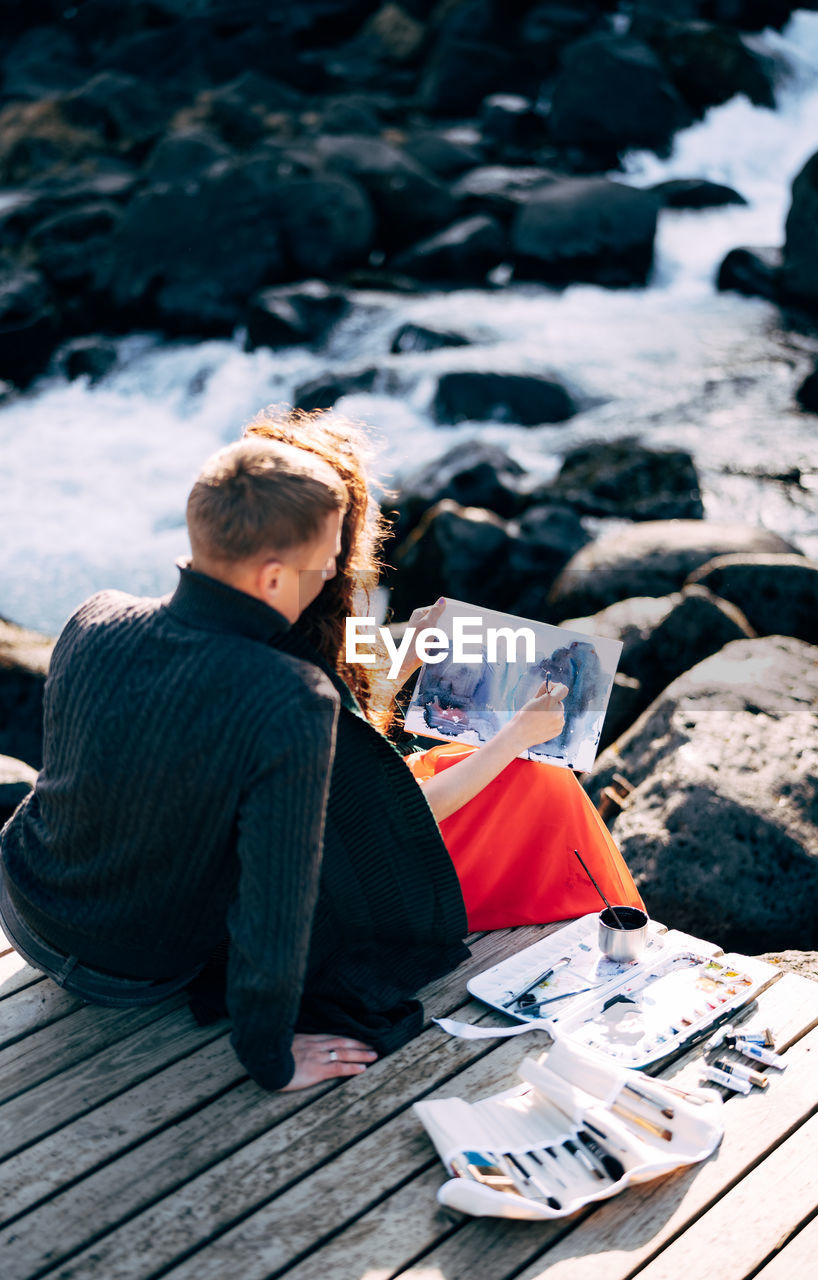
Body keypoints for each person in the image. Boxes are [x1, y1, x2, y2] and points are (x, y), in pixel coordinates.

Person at [0, 437, 428, 1092]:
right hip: (128, 969)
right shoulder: (290, 696)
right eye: (324, 566)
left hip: (24, 906)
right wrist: (271, 1056)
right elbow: (276, 902)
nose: (330, 575)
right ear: (274, 578)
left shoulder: (95, 614)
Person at [243, 407, 645, 932]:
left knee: (518, 771)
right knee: (542, 783)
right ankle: (605, 928)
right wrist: (517, 732)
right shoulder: (290, 649)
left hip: (335, 844)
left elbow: (349, 732)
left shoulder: (278, 606)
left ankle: (597, 919)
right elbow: (399, 814)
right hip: (350, 891)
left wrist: (406, 656)